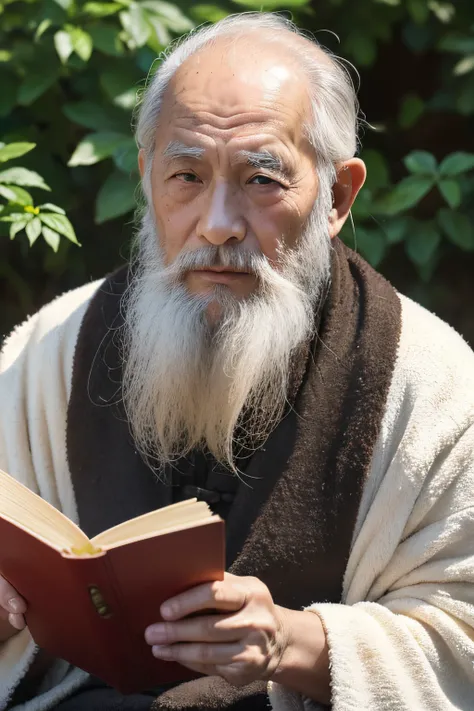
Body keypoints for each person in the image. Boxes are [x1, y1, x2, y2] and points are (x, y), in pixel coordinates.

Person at [0, 11, 473, 711]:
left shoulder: (433, 386)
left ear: (338, 195)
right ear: (146, 175)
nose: (218, 224)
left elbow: (461, 635)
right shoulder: (45, 355)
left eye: (261, 181)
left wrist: (296, 642)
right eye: (186, 175)